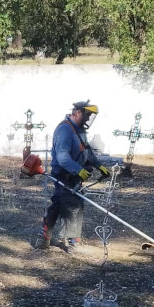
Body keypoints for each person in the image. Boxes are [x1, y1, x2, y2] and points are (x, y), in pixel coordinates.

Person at [36, 100, 119, 251]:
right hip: (64, 175)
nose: (88, 120)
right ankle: (73, 243)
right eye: (86, 116)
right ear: (78, 113)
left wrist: (98, 165)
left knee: (58, 205)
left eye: (90, 117)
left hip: (74, 175)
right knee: (73, 205)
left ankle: (43, 239)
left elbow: (86, 151)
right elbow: (63, 157)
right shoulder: (65, 130)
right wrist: (78, 170)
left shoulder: (79, 131)